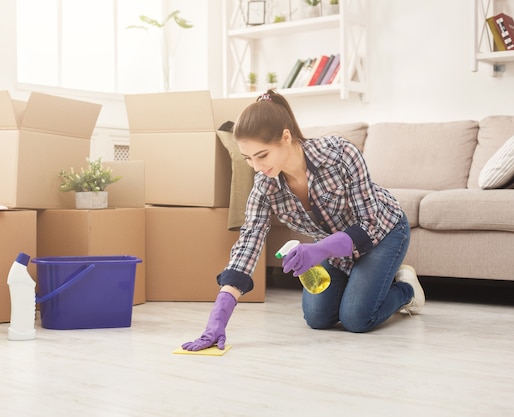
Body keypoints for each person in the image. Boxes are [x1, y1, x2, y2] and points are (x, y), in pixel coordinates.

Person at [181, 89, 425, 351]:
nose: (257, 166)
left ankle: (405, 289)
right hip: (336, 249)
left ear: (286, 137)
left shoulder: (340, 154)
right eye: (248, 158)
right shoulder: (265, 186)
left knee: (357, 318)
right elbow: (248, 243)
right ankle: (366, 282)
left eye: (262, 155)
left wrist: (319, 249)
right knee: (318, 318)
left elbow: (368, 225)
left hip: (382, 233)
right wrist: (218, 317)